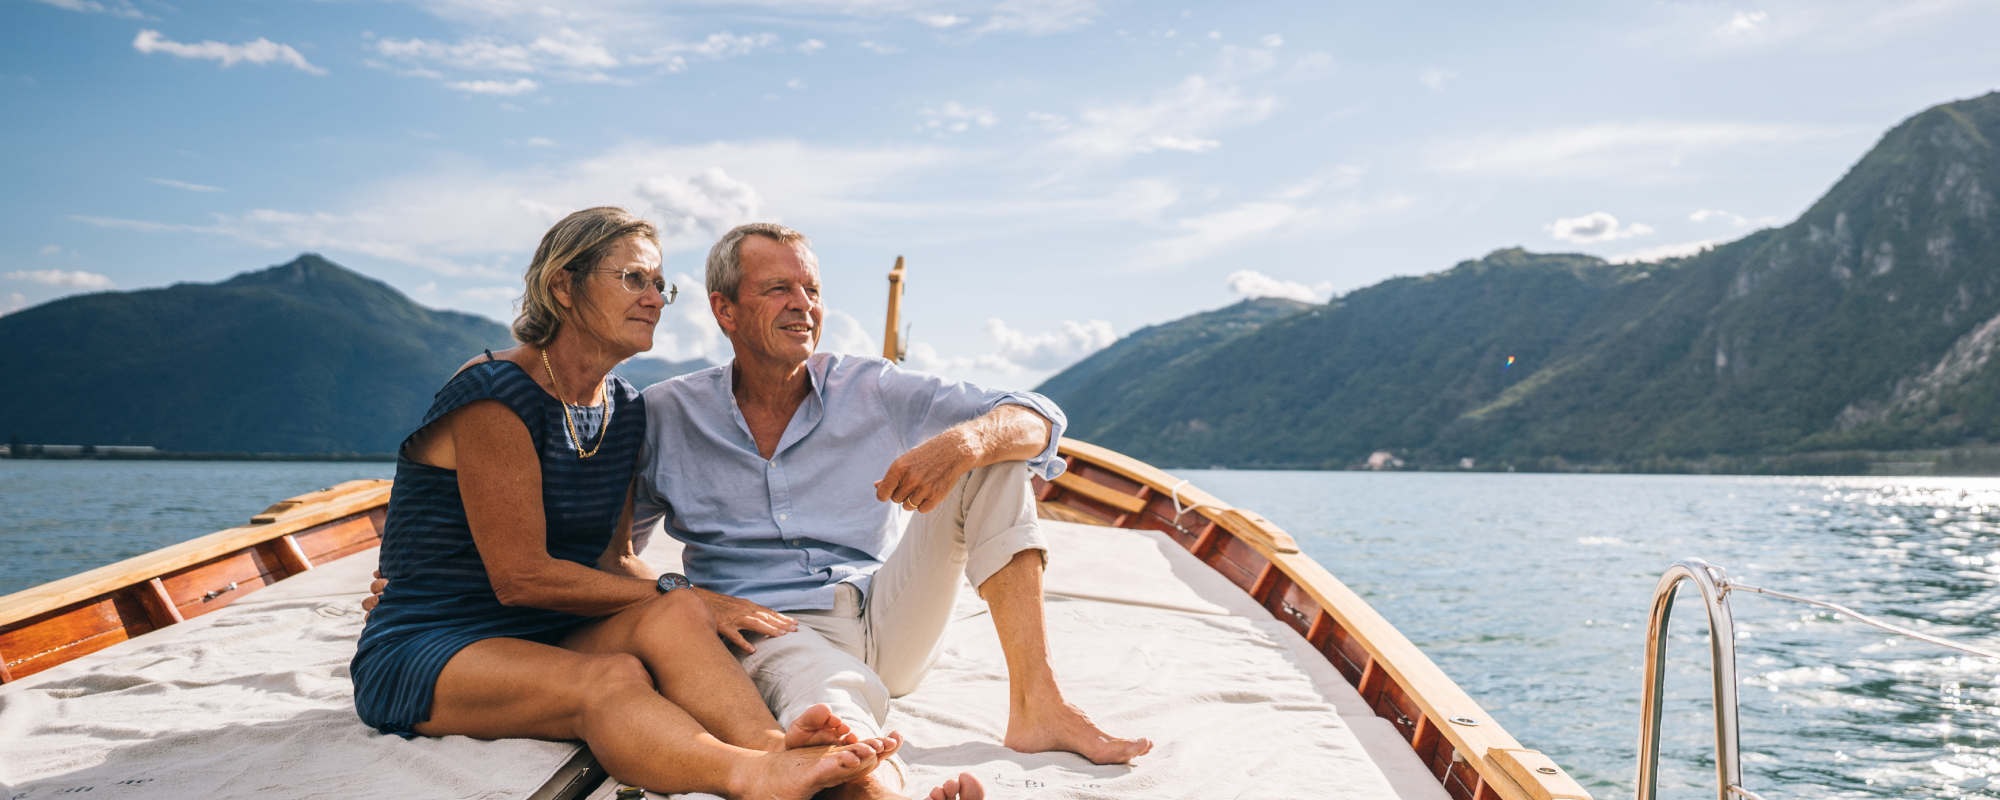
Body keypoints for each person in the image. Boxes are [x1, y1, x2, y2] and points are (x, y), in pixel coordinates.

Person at [350, 207, 897, 800]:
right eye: (634, 279)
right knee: (616, 675)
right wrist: (693, 596)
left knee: (677, 612)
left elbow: (617, 559)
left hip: (548, 630)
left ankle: (771, 746)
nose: (656, 299)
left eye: (660, 285)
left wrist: (695, 611)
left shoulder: (625, 408)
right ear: (563, 285)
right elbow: (520, 577)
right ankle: (749, 775)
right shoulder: (495, 394)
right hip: (436, 641)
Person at [633, 223, 1153, 800]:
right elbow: (611, 558)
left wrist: (964, 444)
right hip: (770, 629)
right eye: (778, 288)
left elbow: (1039, 419)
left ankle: (1038, 704)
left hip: (886, 616)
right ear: (724, 310)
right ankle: (885, 789)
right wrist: (687, 595)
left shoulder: (870, 388)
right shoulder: (665, 414)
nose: (802, 305)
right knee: (828, 703)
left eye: (812, 289)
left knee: (996, 457)